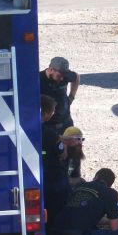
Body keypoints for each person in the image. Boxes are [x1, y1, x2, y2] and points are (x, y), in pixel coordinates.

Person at [40, 95, 69, 228]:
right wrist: (64, 143)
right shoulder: (51, 134)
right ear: (46, 114)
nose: (52, 115)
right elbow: (62, 154)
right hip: (52, 178)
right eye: (52, 112)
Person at [40, 57, 80, 133]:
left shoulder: (65, 76)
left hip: (66, 122)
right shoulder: (38, 79)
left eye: (64, 75)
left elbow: (76, 77)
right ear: (51, 69)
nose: (62, 79)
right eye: (59, 75)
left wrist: (71, 97)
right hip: (49, 126)